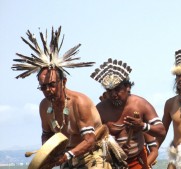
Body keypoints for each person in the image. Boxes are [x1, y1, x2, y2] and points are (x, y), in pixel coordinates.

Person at [11, 27, 111, 168]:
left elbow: (89, 140)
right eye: (43, 86)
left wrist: (66, 156)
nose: (48, 90)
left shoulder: (79, 102)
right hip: (67, 158)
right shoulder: (44, 106)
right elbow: (46, 134)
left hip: (92, 156)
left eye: (52, 85)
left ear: (63, 82)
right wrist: (47, 153)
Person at [91, 58, 166, 169]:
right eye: (109, 90)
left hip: (137, 161)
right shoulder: (100, 110)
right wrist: (114, 148)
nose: (114, 94)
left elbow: (161, 131)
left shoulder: (141, 104)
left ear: (128, 87)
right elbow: (90, 140)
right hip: (111, 164)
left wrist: (142, 126)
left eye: (117, 89)